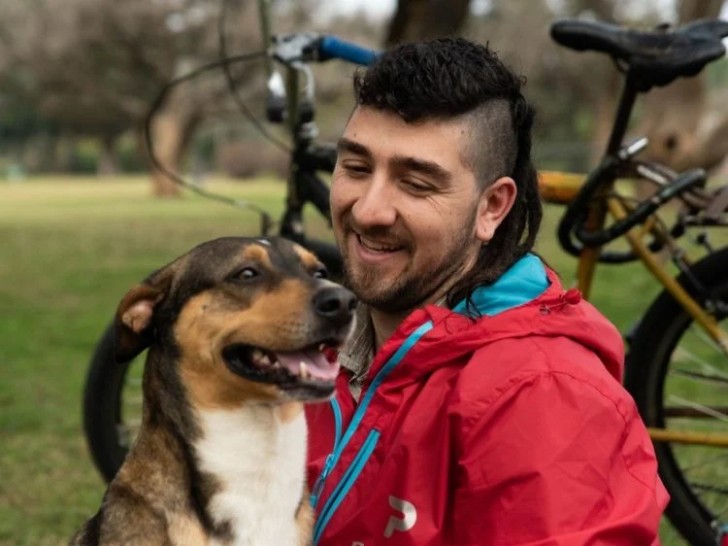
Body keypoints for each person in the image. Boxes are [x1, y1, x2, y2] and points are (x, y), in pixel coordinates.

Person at [305, 37, 668, 545]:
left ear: (492, 207)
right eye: (357, 168)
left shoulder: (541, 395)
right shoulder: (307, 346)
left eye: (416, 183)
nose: (368, 210)